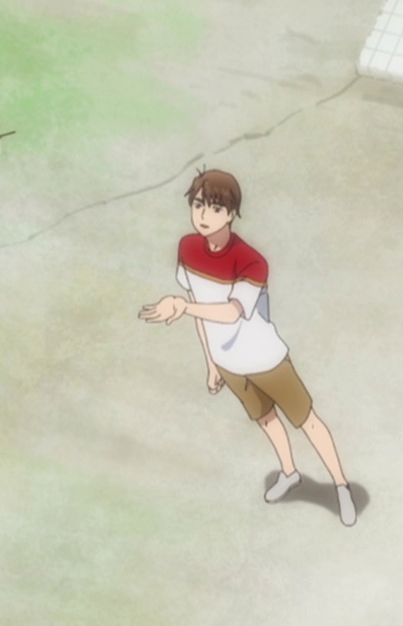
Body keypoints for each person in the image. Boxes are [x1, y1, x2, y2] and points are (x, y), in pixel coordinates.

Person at [138, 169, 358, 527]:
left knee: (307, 420)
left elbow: (231, 312)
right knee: (265, 418)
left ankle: (341, 486)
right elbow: (202, 314)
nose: (203, 215)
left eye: (215, 208)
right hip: (227, 364)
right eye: (198, 205)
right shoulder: (186, 248)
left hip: (266, 359)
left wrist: (181, 306)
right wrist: (211, 363)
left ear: (231, 213)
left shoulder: (252, 261)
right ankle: (289, 473)